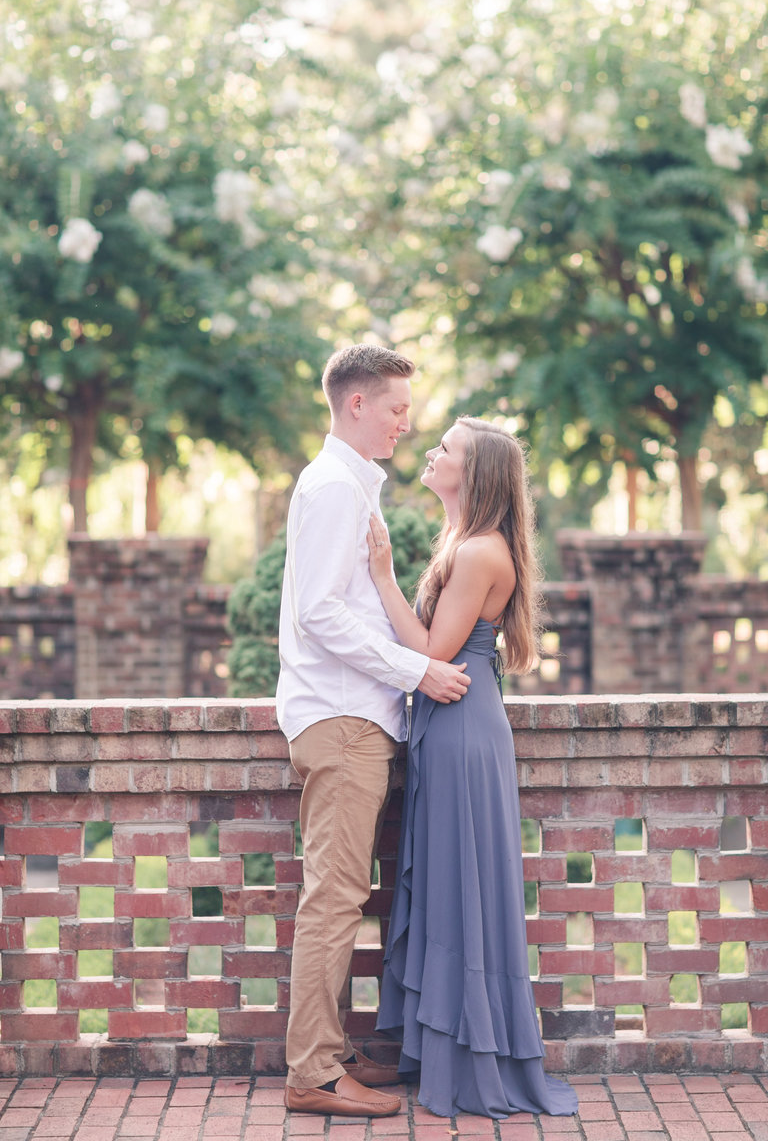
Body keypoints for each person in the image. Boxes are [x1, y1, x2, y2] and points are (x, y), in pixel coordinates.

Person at [276, 344, 472, 1119]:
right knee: (334, 898)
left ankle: (330, 1052)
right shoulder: (332, 489)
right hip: (343, 720)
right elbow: (320, 614)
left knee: (344, 892)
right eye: (396, 408)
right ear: (355, 404)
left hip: (354, 719)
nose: (405, 423)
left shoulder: (347, 486)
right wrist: (414, 671)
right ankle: (315, 1075)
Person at [366, 416, 579, 1120]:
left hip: (461, 729)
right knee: (446, 882)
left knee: (460, 884)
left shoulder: (481, 552)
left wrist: (381, 575)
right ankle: (439, 1050)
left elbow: (431, 647)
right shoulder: (464, 543)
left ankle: (467, 1060)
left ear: (475, 472)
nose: (431, 452)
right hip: (450, 721)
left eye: (445, 450)